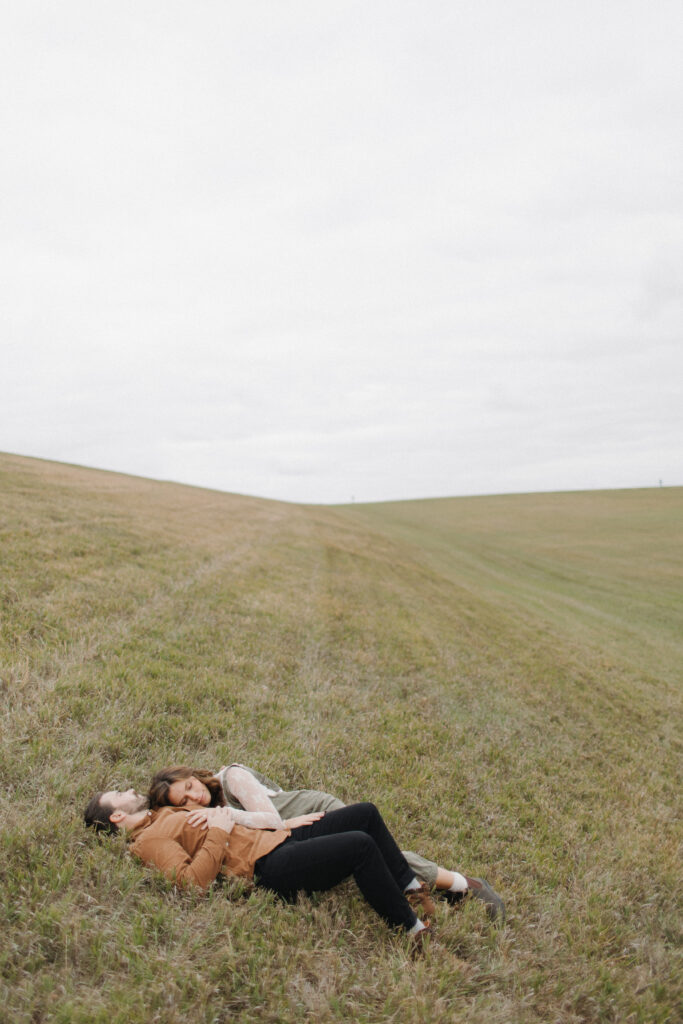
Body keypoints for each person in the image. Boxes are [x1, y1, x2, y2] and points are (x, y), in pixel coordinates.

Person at [83, 789, 439, 954]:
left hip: (275, 838)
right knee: (359, 845)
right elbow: (191, 885)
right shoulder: (147, 840)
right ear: (115, 816)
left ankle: (410, 888)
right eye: (118, 793)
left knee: (365, 813)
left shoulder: (158, 815)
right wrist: (219, 832)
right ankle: (412, 930)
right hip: (266, 866)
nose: (127, 789)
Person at [148, 763, 504, 922]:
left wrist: (224, 820)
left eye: (190, 788)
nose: (194, 801)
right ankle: (441, 888)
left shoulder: (231, 779)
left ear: (195, 776)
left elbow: (271, 820)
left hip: (309, 812)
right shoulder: (211, 813)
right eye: (183, 803)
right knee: (363, 855)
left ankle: (464, 884)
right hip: (287, 832)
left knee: (374, 851)